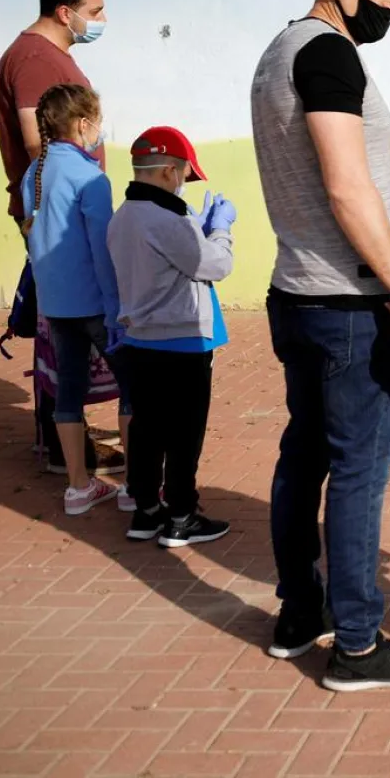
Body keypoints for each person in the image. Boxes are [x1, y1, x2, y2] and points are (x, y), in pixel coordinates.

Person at [252, 0, 390, 692]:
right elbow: (345, 185)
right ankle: (360, 646)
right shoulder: (328, 52)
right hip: (345, 301)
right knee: (359, 469)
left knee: (304, 453)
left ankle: (300, 613)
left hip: (296, 294)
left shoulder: (278, 51)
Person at [107, 126, 235, 548]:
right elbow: (214, 265)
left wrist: (193, 228)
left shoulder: (122, 216)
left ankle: (146, 512)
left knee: (145, 431)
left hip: (139, 341)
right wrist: (219, 231)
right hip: (182, 342)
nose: (184, 183)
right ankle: (181, 516)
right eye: (183, 174)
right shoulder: (166, 218)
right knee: (184, 435)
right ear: (167, 172)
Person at [20, 84, 130, 517]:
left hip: (56, 304)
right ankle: (135, 486)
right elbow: (103, 250)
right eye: (97, 121)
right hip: (95, 303)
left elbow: (33, 238)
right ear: (83, 124)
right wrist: (117, 304)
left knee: (68, 390)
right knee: (133, 385)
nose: (99, 130)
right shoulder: (91, 177)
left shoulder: (36, 173)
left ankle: (78, 487)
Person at [0, 0, 107, 228]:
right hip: (58, 211)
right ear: (65, 13)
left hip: (62, 206)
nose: (103, 19)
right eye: (94, 12)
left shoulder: (47, 55)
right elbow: (37, 142)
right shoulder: (36, 60)